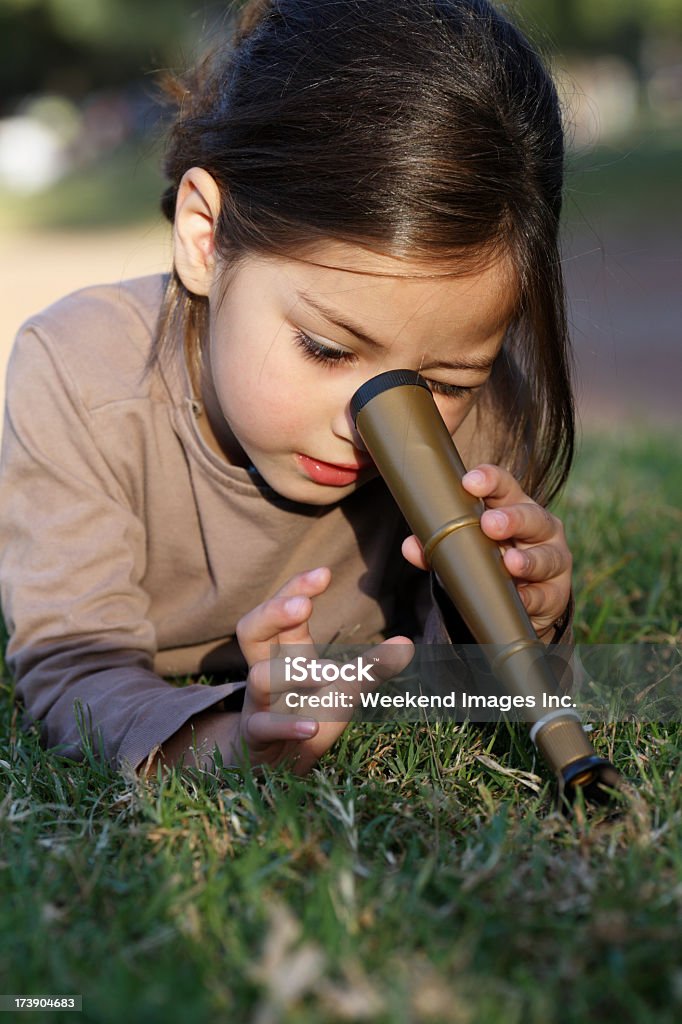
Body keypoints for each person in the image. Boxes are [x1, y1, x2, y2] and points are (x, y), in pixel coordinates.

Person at [0, 0, 574, 778]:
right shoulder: (78, 374)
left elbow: (451, 685)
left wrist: (516, 621)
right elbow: (73, 670)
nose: (371, 425)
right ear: (206, 237)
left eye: (438, 383)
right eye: (326, 348)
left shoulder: (487, 401)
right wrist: (228, 744)